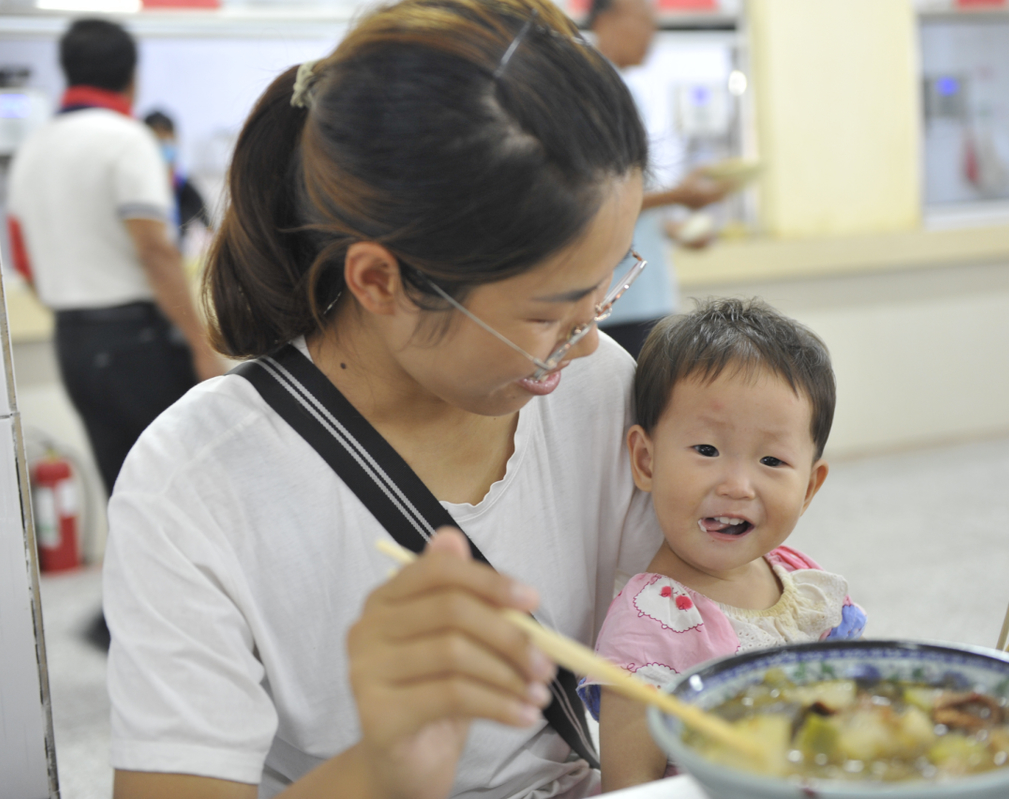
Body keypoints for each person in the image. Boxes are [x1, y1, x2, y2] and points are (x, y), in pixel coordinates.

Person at [103, 1, 661, 797]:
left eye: (606, 288)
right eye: (546, 313)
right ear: (378, 281)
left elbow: (674, 645)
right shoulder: (193, 483)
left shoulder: (600, 388)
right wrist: (388, 766)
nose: (583, 338)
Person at [578, 298, 868, 792]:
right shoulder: (649, 629)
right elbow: (630, 790)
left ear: (810, 488)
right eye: (707, 450)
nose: (737, 485)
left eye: (772, 461)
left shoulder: (805, 585)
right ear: (646, 461)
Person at [8, 18, 226, 500]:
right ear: (132, 76)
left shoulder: (32, 149)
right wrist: (200, 347)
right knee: (183, 491)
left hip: (73, 345)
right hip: (135, 343)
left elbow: (23, 257)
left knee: (125, 494)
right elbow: (155, 252)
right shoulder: (128, 141)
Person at [587, 0, 737, 358]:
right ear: (607, 19)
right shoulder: (596, 89)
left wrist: (673, 230)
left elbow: (628, 195)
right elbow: (597, 197)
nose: (654, 33)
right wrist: (681, 195)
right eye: (645, 22)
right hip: (620, 300)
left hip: (641, 294)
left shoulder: (619, 87)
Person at [144, 109, 212, 242]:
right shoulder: (134, 189)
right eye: (156, 139)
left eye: (165, 139)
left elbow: (211, 232)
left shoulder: (187, 191)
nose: (162, 145)